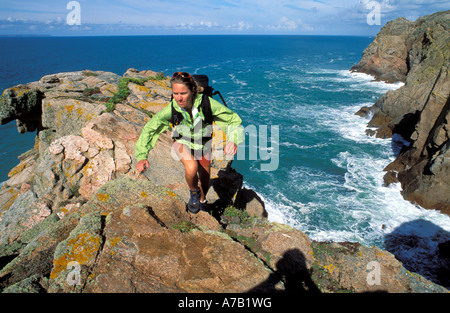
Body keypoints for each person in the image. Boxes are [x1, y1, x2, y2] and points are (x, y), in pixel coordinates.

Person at [135, 72, 244, 213]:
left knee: (205, 178)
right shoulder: (172, 108)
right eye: (175, 93)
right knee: (192, 167)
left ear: (192, 91)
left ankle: (202, 200)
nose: (179, 98)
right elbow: (150, 128)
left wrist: (233, 140)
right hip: (181, 141)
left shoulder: (207, 103)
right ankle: (194, 193)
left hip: (203, 142)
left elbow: (233, 120)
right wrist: (142, 155)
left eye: (183, 93)